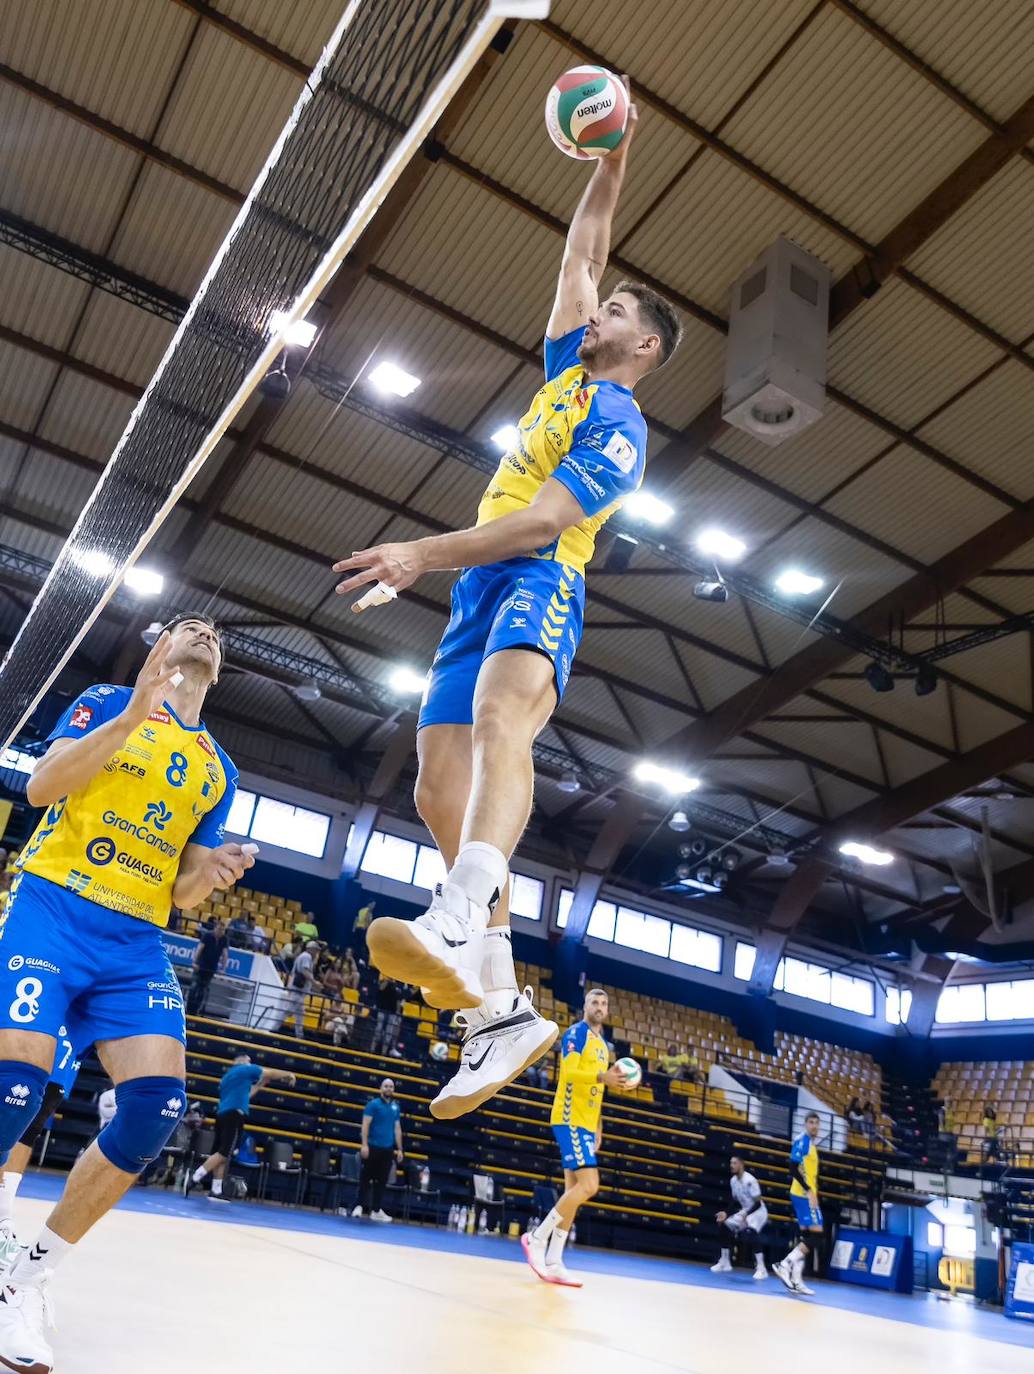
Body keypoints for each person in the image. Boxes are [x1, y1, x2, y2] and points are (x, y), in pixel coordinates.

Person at [334, 85, 682, 1121]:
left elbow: (540, 526)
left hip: (538, 575)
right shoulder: (563, 372)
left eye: (616, 314)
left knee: (499, 722)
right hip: (478, 586)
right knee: (436, 785)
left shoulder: (618, 426)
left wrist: (418, 552)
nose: (595, 310)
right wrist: (611, 162)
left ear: (644, 349)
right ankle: (499, 1007)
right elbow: (582, 252)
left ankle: (457, 912)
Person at [0, 613, 252, 1369]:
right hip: (54, 908)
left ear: (220, 667)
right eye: (188, 625)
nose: (204, 633)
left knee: (156, 1109)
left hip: (135, 942)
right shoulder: (107, 701)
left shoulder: (218, 769)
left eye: (215, 634)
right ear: (158, 647)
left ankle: (26, 1280)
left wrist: (211, 874)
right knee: (16, 1086)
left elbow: (183, 892)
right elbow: (42, 786)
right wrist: (135, 713)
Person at [522, 989, 632, 1286]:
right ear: (585, 1006)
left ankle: (555, 1261)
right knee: (590, 1185)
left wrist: (598, 1125)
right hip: (569, 1117)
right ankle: (536, 1238)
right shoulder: (576, 1033)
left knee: (574, 1193)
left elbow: (598, 1089)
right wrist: (603, 1077)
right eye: (594, 1002)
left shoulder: (604, 1046)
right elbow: (569, 1074)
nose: (599, 1007)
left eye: (604, 1003)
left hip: (586, 1123)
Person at [0, 1024, 84, 1266]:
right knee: (14, 1111)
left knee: (30, 1124)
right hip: (33, 1032)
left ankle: (3, 1219)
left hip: (66, 1042)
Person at [185, 1054, 295, 1201]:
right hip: (234, 1115)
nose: (251, 1063)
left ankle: (216, 1190)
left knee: (221, 1153)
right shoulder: (245, 1069)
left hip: (222, 1115)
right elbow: (270, 1072)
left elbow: (246, 1095)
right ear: (242, 1061)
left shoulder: (228, 1077)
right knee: (224, 1153)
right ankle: (195, 1177)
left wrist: (260, 1085)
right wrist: (288, 1074)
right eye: (249, 1061)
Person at [774, 1111, 823, 1296]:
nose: (814, 1126)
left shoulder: (810, 1143)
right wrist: (809, 1190)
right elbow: (792, 1168)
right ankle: (784, 1264)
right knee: (816, 1236)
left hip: (805, 1194)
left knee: (806, 1236)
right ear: (805, 1124)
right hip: (803, 1195)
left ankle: (796, 1281)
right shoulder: (802, 1141)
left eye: (817, 1123)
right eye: (811, 1122)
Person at [351, 1078, 403, 1222]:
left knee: (381, 1181)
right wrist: (364, 1145)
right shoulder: (373, 1105)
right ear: (381, 1088)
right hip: (372, 1147)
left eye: (391, 1086)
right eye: (386, 1086)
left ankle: (376, 1210)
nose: (389, 1089)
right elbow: (365, 1125)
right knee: (365, 1178)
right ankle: (359, 1206)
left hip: (387, 1150)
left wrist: (399, 1149)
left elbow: (397, 1128)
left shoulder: (395, 1107)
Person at [711, 1155, 768, 1280]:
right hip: (746, 1211)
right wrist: (726, 1213)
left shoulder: (750, 1180)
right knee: (724, 1225)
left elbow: (758, 1203)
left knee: (751, 1232)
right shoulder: (733, 1181)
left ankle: (761, 1268)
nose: (731, 1166)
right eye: (731, 1163)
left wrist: (746, 1215)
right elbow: (735, 1201)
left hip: (758, 1212)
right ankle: (725, 1262)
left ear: (741, 1165)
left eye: (734, 1163)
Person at [187, 917, 229, 1015]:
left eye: (223, 930)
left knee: (202, 990)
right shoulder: (207, 935)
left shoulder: (224, 939)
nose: (221, 932)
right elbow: (199, 949)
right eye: (219, 929)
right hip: (200, 966)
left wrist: (223, 968)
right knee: (194, 987)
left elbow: (225, 954)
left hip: (211, 968)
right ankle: (188, 1008)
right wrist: (195, 962)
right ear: (215, 928)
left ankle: (195, 1010)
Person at [284, 940, 318, 1040]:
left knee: (300, 1013)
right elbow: (304, 971)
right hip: (297, 989)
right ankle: (273, 1027)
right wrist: (315, 982)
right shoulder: (306, 956)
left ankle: (299, 1035)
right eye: (315, 949)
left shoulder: (306, 957)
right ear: (310, 949)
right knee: (288, 1011)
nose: (317, 952)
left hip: (300, 990)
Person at [371, 977, 401, 1056]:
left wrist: (397, 1013)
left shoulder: (396, 986)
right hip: (382, 1009)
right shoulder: (384, 982)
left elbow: (398, 1001)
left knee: (388, 1033)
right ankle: (372, 1050)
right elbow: (381, 988)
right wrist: (387, 980)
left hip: (392, 1013)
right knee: (378, 1030)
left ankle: (384, 1053)